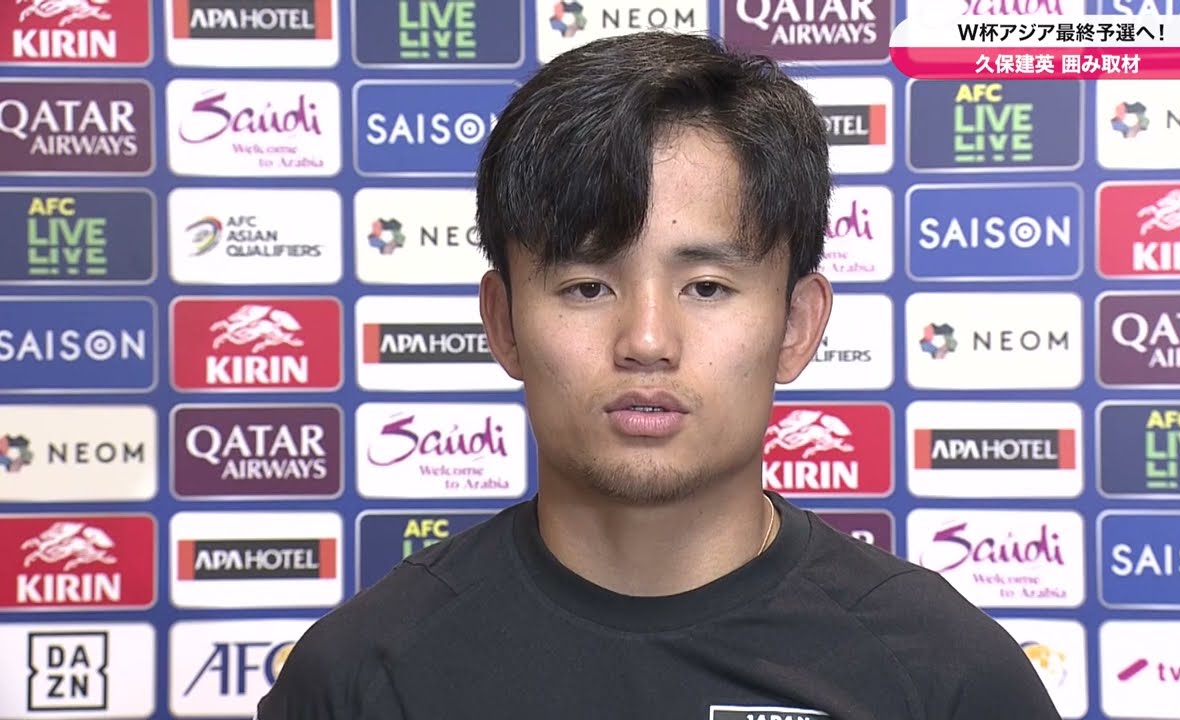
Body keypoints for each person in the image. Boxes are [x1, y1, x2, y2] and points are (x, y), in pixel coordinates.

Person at [256, 31, 1060, 719]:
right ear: (503, 323)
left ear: (796, 324)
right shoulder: (362, 677)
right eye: (587, 287)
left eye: (705, 287)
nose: (646, 341)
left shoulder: (943, 678)